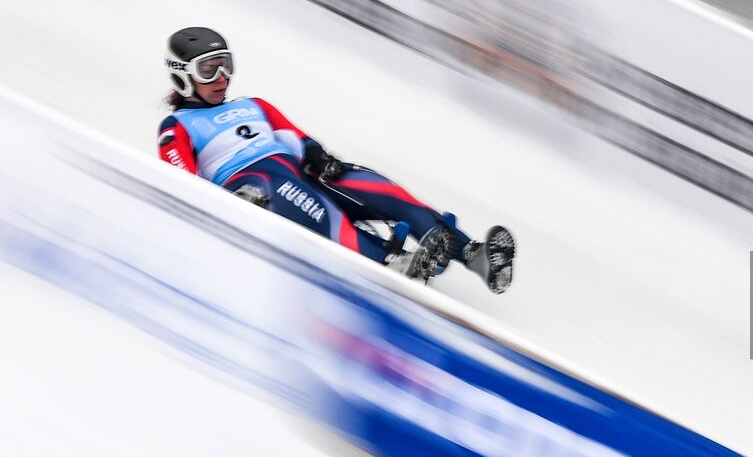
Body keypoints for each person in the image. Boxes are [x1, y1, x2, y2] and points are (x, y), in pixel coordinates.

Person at [156, 26, 513, 291]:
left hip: (295, 168)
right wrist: (232, 204)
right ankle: (393, 262)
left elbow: (295, 137)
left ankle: (473, 255)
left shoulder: (254, 105)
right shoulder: (177, 125)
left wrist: (318, 156)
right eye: (208, 70)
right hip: (255, 183)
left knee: (372, 185)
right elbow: (182, 184)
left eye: (225, 66)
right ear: (182, 74)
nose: (221, 78)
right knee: (293, 191)